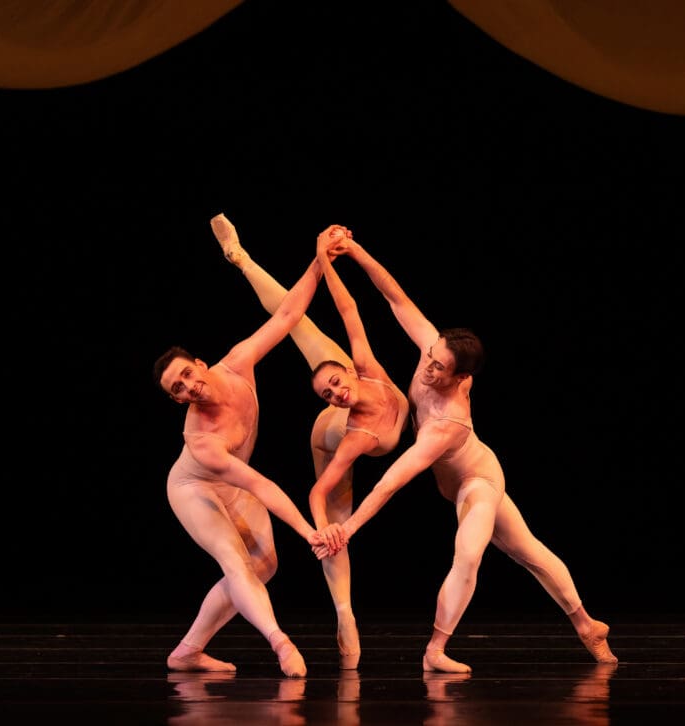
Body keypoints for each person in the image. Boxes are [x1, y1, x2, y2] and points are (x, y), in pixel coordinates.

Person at [318, 232, 618, 673]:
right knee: (529, 551)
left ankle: (435, 650)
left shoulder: (447, 422)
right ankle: (587, 625)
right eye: (431, 356)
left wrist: (349, 530)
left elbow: (392, 481)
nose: (428, 366)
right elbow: (395, 298)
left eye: (439, 367)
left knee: (470, 551)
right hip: (458, 484)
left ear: (461, 379)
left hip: (478, 480)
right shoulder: (433, 350)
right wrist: (357, 252)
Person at [211, 214, 409, 670]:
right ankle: (345, 612)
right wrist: (323, 530)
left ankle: (239, 257)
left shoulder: (362, 369)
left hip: (360, 395)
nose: (337, 390)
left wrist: (327, 258)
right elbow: (318, 493)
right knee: (338, 515)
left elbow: (349, 311)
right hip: (334, 434)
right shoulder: (351, 435)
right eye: (331, 391)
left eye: (337, 385)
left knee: (300, 325)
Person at [153, 237, 339, 678]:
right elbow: (261, 485)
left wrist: (318, 260)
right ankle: (281, 643)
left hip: (235, 482)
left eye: (185, 375)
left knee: (264, 565)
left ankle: (187, 652)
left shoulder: (237, 363)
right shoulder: (202, 441)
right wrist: (309, 532)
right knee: (234, 561)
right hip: (193, 487)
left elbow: (289, 314)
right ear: (178, 401)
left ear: (199, 364)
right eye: (177, 389)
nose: (187, 387)